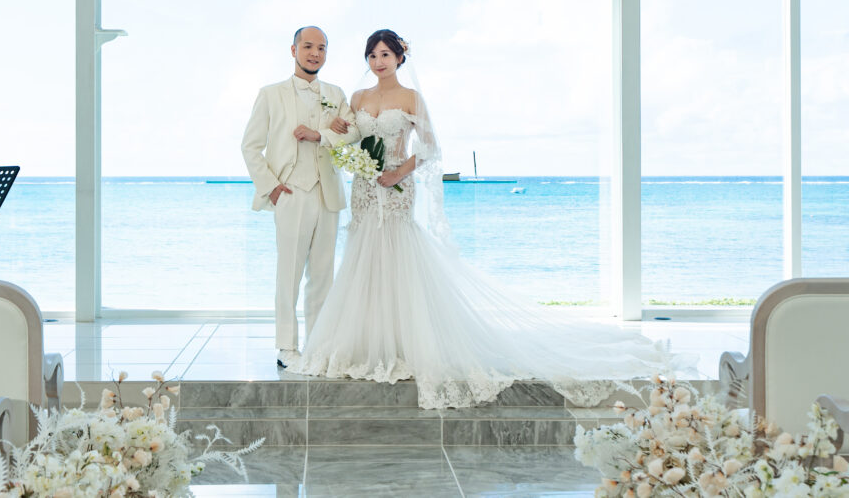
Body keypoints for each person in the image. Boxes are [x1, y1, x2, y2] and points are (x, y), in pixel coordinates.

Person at [288, 29, 690, 409]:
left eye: (386, 55)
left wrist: (398, 174)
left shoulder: (411, 98)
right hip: (364, 189)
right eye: (373, 55)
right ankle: (367, 343)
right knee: (364, 259)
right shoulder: (358, 97)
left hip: (396, 189)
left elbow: (429, 148)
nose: (379, 62)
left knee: (396, 257)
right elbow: (350, 138)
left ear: (399, 58)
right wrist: (338, 130)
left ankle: (403, 342)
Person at [241, 26, 360, 369]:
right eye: (308, 46)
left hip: (327, 193)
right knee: (289, 274)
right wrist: (272, 187)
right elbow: (250, 146)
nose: (315, 53)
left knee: (323, 274)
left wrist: (320, 134)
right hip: (291, 192)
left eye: (321, 48)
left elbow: (354, 131)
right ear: (293, 50)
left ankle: (317, 345)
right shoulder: (270, 94)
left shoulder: (336, 94)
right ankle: (286, 347)